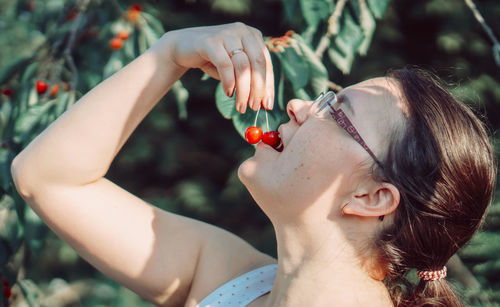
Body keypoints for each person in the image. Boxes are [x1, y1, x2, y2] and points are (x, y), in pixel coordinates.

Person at [10, 22, 496, 307]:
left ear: (371, 198)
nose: (300, 105)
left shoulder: (216, 272)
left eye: (337, 111)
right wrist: (170, 52)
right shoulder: (232, 279)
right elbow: (47, 179)